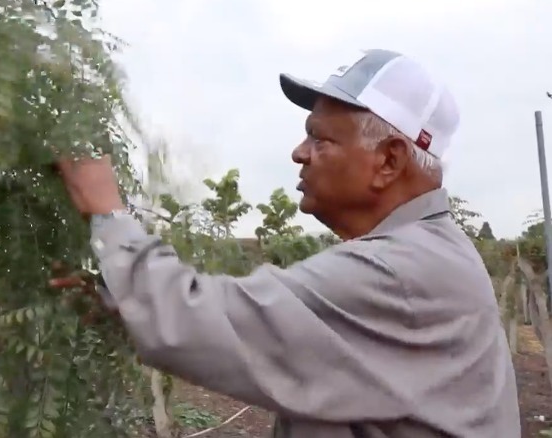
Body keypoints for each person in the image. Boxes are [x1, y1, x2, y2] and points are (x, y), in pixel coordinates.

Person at [54, 49, 521, 437]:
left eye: (319, 138)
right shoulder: (425, 254)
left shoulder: (402, 271)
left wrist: (106, 211)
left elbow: (207, 319)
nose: (299, 153)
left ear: (389, 161)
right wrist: (122, 298)